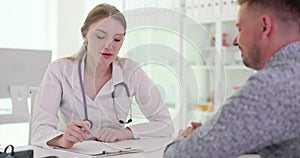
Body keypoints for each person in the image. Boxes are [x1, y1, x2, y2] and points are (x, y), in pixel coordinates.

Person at [164, 0, 300, 157]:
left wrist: (184, 139)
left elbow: (183, 156)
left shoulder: (276, 84)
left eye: (240, 29)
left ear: (264, 26)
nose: (235, 40)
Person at [31, 3, 174, 149]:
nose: (109, 46)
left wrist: (124, 133)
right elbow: (39, 130)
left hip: (113, 153)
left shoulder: (131, 71)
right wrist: (62, 139)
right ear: (84, 35)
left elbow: (165, 124)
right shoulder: (60, 70)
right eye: (100, 36)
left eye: (117, 39)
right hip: (71, 154)